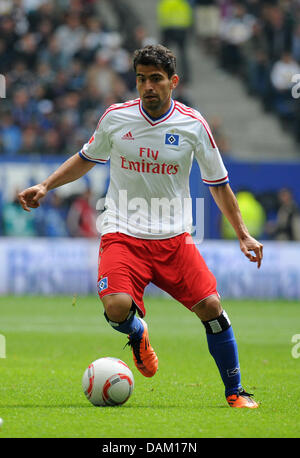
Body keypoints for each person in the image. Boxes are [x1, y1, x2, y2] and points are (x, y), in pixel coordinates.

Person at [18, 44, 263, 409]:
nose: (147, 86)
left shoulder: (193, 125)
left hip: (174, 239)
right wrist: (46, 185)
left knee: (211, 307)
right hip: (122, 233)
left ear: (173, 82)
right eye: (141, 79)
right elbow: (87, 158)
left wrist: (242, 233)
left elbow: (219, 183)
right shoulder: (116, 118)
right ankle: (138, 333)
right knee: (116, 307)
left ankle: (236, 391)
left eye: (156, 79)